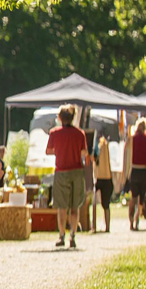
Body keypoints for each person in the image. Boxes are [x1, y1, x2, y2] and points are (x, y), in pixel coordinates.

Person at [46, 104, 89, 248]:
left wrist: (60, 151)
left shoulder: (54, 133)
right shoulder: (80, 133)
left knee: (62, 206)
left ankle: (61, 235)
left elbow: (48, 151)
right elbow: (84, 153)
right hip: (77, 171)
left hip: (61, 171)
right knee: (74, 206)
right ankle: (73, 235)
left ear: (60, 118)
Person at [128, 118, 146, 231]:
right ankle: (137, 221)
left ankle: (131, 222)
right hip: (145, 169)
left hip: (134, 169)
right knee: (142, 196)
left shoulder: (132, 139)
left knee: (133, 197)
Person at [93, 135, 113, 233]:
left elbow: (96, 160)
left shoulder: (99, 146)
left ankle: (93, 225)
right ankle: (107, 227)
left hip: (99, 177)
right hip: (107, 177)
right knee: (106, 204)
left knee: (93, 201)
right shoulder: (106, 145)